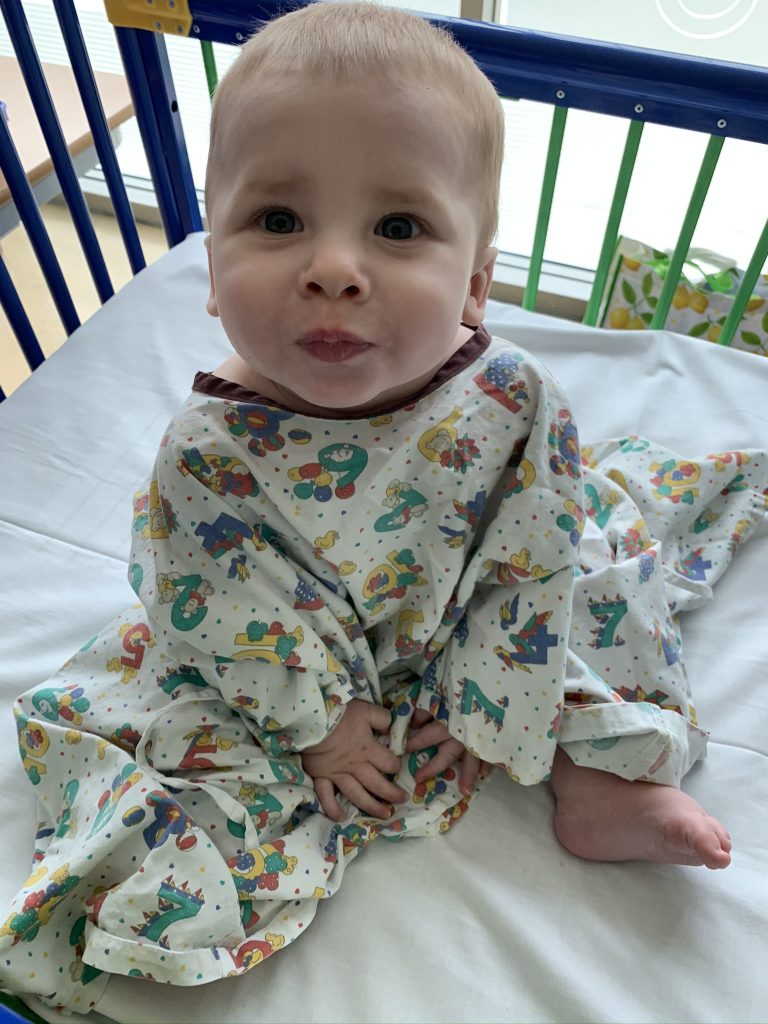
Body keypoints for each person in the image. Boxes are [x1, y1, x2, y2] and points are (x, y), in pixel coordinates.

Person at [3, 0, 765, 1010]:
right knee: (185, 757)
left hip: (469, 618)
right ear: (213, 273)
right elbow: (228, 605)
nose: (331, 269)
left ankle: (602, 777)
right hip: (299, 656)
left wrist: (493, 690)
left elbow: (532, 544)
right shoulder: (209, 449)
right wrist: (320, 725)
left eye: (398, 228)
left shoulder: (510, 394)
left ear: (477, 285)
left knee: (610, 578)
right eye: (278, 222)